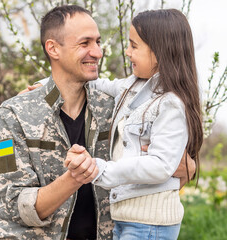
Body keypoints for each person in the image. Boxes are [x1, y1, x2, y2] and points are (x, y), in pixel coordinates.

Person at [0, 5, 195, 240]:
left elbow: (168, 152)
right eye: (85, 44)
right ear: (53, 48)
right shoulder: (12, 114)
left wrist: (188, 165)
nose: (98, 52)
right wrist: (75, 177)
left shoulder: (117, 109)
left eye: (98, 42)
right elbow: (14, 203)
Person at [64, 9, 202, 240]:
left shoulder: (170, 104)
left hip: (149, 224)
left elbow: (160, 166)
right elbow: (97, 84)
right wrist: (45, 86)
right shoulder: (132, 86)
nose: (127, 52)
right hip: (128, 219)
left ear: (159, 52)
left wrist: (101, 169)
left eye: (134, 46)